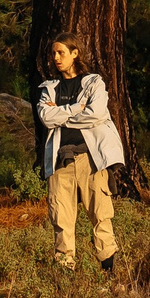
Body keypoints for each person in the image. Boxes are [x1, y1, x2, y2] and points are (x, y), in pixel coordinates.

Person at [35, 36, 125, 276]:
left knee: (101, 216)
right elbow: (46, 118)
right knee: (61, 220)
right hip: (60, 162)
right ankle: (65, 278)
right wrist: (77, 108)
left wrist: (61, 113)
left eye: (61, 53)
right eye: (53, 53)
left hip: (91, 160)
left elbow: (96, 114)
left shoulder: (93, 82)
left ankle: (108, 275)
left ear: (75, 53)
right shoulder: (48, 88)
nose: (56, 58)